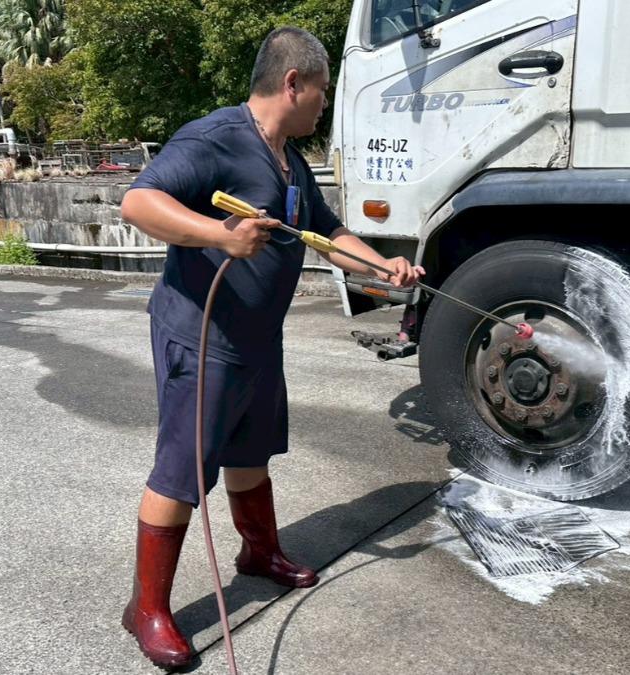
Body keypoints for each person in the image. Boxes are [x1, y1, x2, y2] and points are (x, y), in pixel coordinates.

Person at [117, 26, 424, 667]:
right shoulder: (214, 137)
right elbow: (138, 202)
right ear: (292, 83)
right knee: (181, 472)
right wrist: (219, 236)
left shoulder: (289, 160)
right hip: (202, 336)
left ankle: (259, 551)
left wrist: (382, 268)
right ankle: (147, 609)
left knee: (250, 451)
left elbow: (327, 234)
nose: (324, 103)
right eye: (322, 91)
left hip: (257, 341)